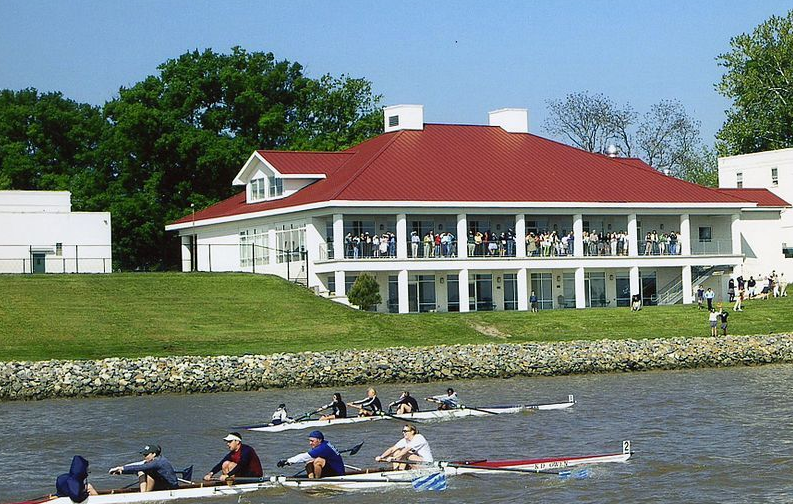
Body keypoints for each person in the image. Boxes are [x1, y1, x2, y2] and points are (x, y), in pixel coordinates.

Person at [109, 443, 179, 492]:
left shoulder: (158, 462)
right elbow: (137, 465)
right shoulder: (153, 460)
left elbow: (140, 467)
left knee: (147, 473)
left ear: (153, 454)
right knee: (141, 472)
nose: (144, 457)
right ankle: (143, 494)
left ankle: (146, 495)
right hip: (162, 483)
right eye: (144, 455)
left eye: (146, 455)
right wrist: (121, 471)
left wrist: (120, 468)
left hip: (170, 487)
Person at [278, 430, 345, 478]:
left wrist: (288, 461)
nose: (310, 443)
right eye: (310, 441)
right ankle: (311, 479)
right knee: (309, 461)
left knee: (318, 461)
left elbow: (304, 456)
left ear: (319, 440)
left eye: (312, 441)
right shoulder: (324, 443)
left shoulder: (323, 448)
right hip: (330, 468)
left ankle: (317, 481)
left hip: (337, 473)